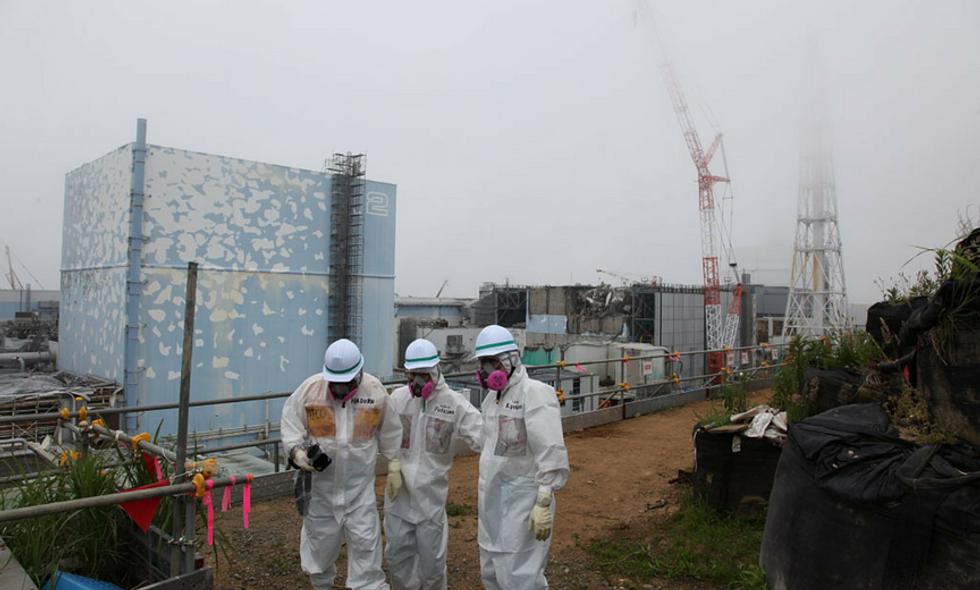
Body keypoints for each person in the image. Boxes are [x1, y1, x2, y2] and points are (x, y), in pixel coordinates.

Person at [281, 338, 402, 590]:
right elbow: (290, 422)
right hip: (321, 492)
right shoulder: (310, 390)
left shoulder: (375, 391)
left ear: (359, 373)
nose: (340, 389)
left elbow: (390, 430)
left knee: (366, 546)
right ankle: (322, 585)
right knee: (320, 548)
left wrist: (394, 465)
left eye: (346, 382)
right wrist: (296, 452)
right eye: (335, 384)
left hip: (359, 492)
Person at [472, 325, 570, 590]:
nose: (486, 370)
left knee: (520, 577)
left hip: (523, 501)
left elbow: (550, 448)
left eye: (491, 363)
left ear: (510, 359)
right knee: (491, 571)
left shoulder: (535, 393)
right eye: (482, 363)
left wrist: (543, 498)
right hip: (492, 498)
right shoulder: (491, 399)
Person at [383, 338, 483, 590]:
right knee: (397, 558)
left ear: (436, 370)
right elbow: (382, 434)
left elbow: (484, 438)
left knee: (432, 564)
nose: (418, 380)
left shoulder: (453, 403)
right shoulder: (398, 399)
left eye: (424, 373)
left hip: (431, 501)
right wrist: (393, 463)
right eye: (414, 374)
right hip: (399, 498)